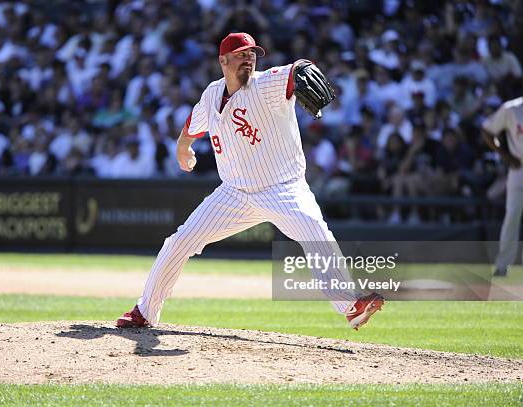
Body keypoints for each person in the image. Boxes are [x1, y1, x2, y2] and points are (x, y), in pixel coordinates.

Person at [117, 33, 384, 330]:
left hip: (283, 189)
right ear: (223, 60)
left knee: (314, 231)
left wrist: (302, 68)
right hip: (234, 193)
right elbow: (192, 126)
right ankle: (145, 311)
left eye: (252, 54)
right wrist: (183, 148)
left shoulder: (265, 84)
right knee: (179, 242)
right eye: (242, 54)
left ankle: (350, 306)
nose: (249, 58)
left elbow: (295, 70)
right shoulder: (211, 94)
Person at [482, 97, 523, 276]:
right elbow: (487, 131)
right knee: (512, 215)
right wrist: (504, 155)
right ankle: (502, 265)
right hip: (519, 167)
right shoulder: (512, 108)